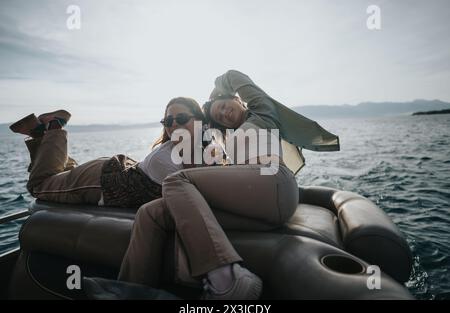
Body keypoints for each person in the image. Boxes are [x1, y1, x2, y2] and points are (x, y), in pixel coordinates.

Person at [119, 71, 339, 300]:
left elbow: (233, 76)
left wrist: (214, 96)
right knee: (151, 213)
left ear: (237, 99)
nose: (224, 113)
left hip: (273, 182)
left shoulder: (262, 111)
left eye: (224, 106)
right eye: (219, 115)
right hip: (256, 207)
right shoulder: (225, 138)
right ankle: (129, 293)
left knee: (177, 180)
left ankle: (226, 279)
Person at [9, 97, 205, 208]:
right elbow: (195, 185)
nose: (174, 124)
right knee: (39, 185)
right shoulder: (189, 151)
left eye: (181, 118)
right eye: (169, 121)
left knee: (58, 176)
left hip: (110, 173)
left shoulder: (193, 149)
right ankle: (54, 126)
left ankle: (39, 132)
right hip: (102, 182)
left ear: (199, 119)